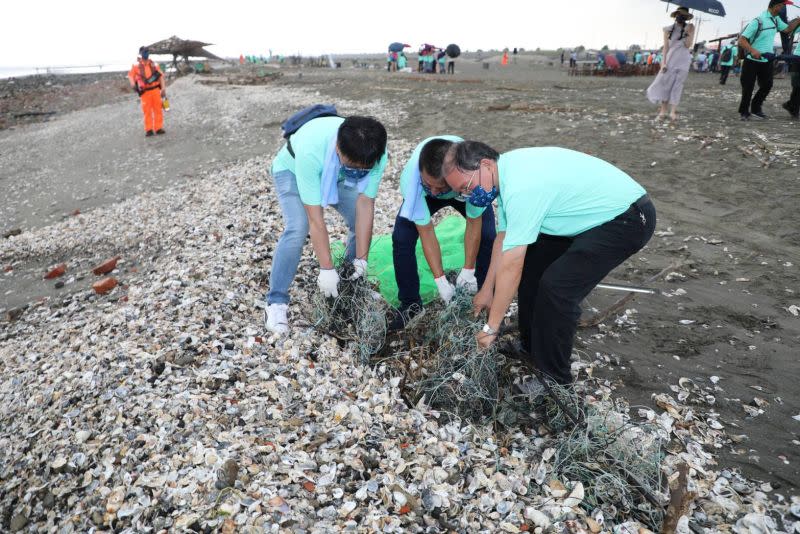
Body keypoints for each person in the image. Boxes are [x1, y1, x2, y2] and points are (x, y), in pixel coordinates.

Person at [442, 142, 655, 386]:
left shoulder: (522, 187)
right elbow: (504, 240)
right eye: (463, 193)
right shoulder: (505, 176)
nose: (470, 196)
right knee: (533, 269)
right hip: (583, 217)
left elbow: (512, 264)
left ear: (486, 165)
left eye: (468, 187)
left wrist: (492, 327)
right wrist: (487, 290)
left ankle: (555, 379)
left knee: (558, 287)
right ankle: (531, 347)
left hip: (627, 218)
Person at [265, 115, 388, 334]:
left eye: (363, 170)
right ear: (338, 148)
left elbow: (366, 205)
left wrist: (362, 259)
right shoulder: (312, 151)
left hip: (339, 177)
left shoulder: (376, 152)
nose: (358, 173)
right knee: (298, 228)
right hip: (293, 170)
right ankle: (276, 302)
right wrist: (326, 269)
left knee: (358, 222)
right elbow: (316, 219)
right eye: (353, 167)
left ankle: (351, 280)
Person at [389, 136, 496, 329]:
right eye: (429, 184)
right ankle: (410, 304)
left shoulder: (468, 179)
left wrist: (468, 270)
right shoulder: (412, 182)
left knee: (488, 235)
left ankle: (484, 293)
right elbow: (427, 231)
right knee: (401, 238)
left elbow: (474, 224)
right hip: (423, 193)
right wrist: (440, 280)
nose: (435, 192)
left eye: (440, 188)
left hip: (460, 191)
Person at [738, 0, 800, 120]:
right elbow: (741, 40)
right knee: (748, 87)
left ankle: (756, 109)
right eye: (782, 6)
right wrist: (752, 50)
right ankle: (744, 112)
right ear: (775, 6)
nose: (782, 9)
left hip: (767, 60)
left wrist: (797, 21)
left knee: (767, 85)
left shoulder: (776, 20)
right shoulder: (758, 21)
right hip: (752, 60)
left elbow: (787, 30)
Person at [646, 6, 695, 121]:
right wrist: (663, 63)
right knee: (665, 83)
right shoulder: (667, 29)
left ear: (686, 17)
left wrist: (687, 33)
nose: (680, 17)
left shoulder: (690, 27)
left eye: (683, 15)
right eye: (679, 15)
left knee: (678, 85)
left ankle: (673, 111)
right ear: (675, 15)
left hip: (683, 59)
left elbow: (688, 45)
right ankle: (663, 111)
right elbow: (665, 48)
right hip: (670, 58)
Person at [127, 46, 167, 137]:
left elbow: (160, 76)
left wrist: (163, 88)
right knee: (147, 111)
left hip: (156, 90)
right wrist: (133, 85)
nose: (146, 53)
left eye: (147, 51)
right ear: (140, 53)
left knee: (158, 109)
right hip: (145, 92)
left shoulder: (154, 64)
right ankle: (149, 129)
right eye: (144, 52)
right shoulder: (136, 65)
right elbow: (130, 76)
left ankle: (158, 128)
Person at [783, 27, 800, 118]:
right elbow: (789, 30)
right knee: (797, 86)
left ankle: (791, 106)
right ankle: (793, 109)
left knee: (797, 87)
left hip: (796, 58)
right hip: (797, 58)